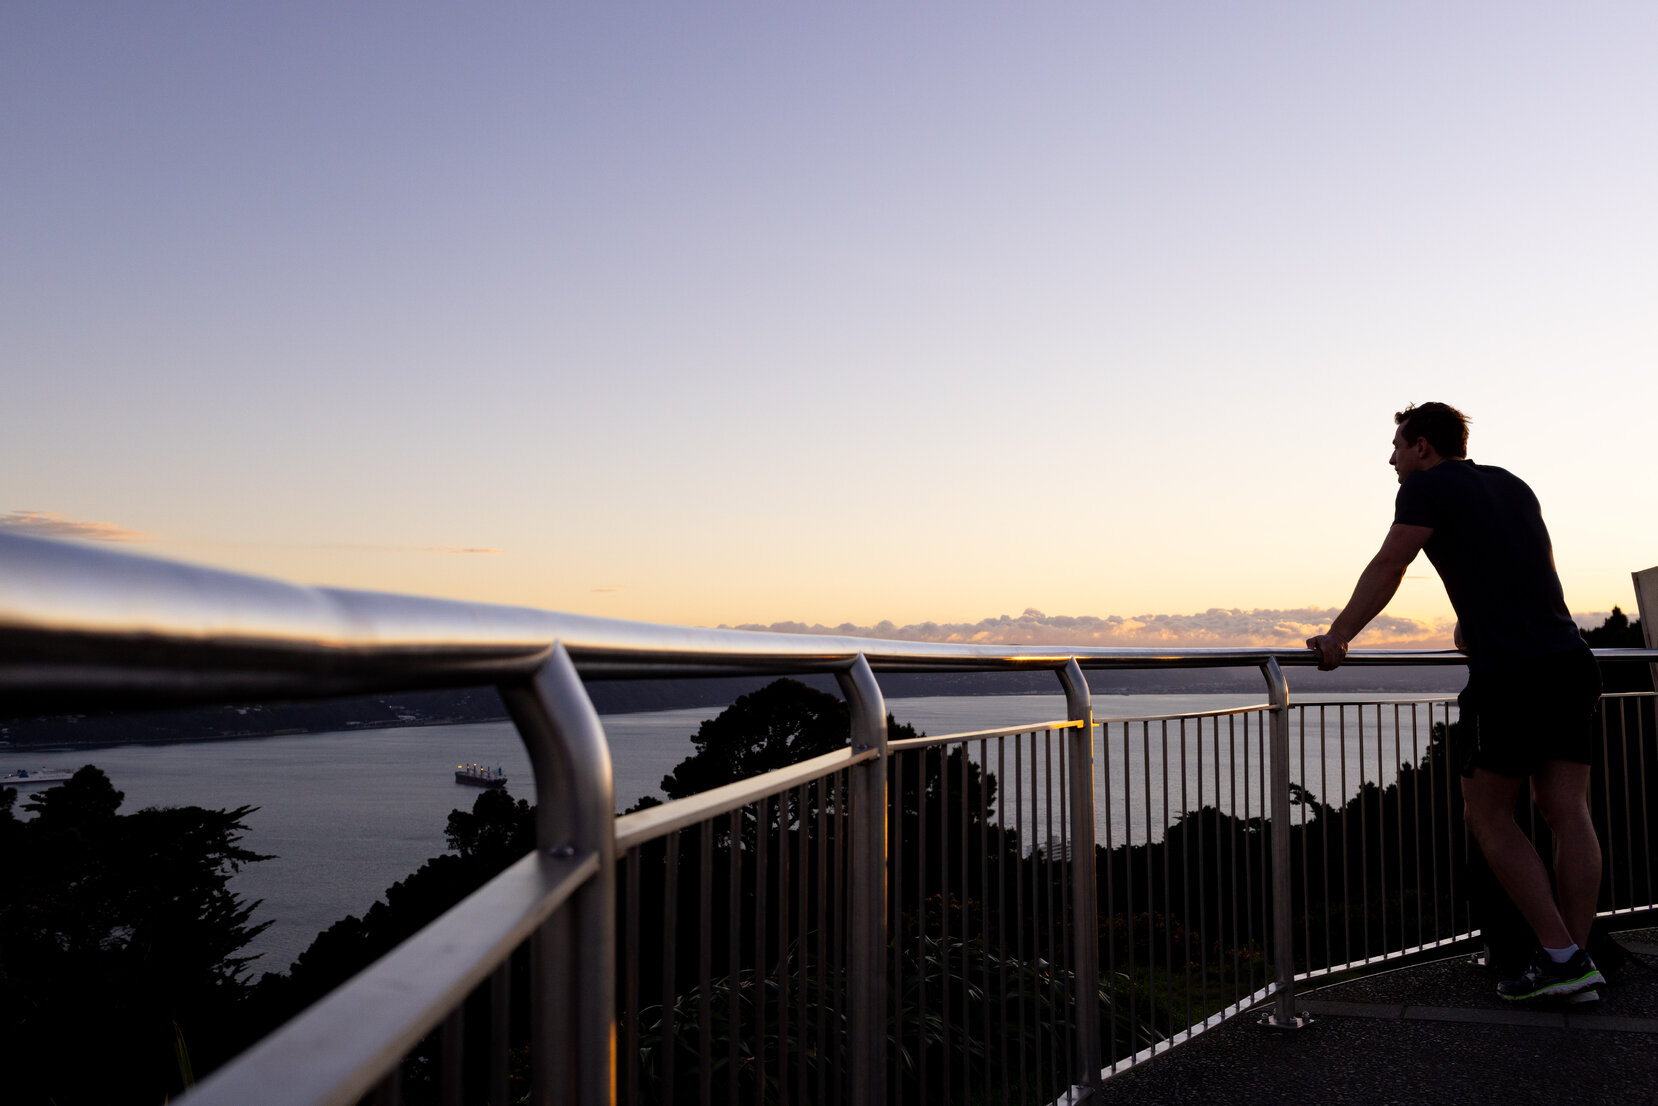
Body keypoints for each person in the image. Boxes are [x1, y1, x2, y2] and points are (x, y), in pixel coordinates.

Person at [1306, 401, 1603, 1002]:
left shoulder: (1425, 487)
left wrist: (1339, 634)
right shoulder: (1512, 485)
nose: (1391, 459)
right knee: (1568, 812)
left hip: (1513, 675)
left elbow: (1392, 564)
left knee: (1488, 816)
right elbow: (1532, 572)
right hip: (1569, 662)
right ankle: (1572, 958)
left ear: (1422, 445)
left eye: (1396, 446)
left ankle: (1563, 960)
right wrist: (1474, 625)